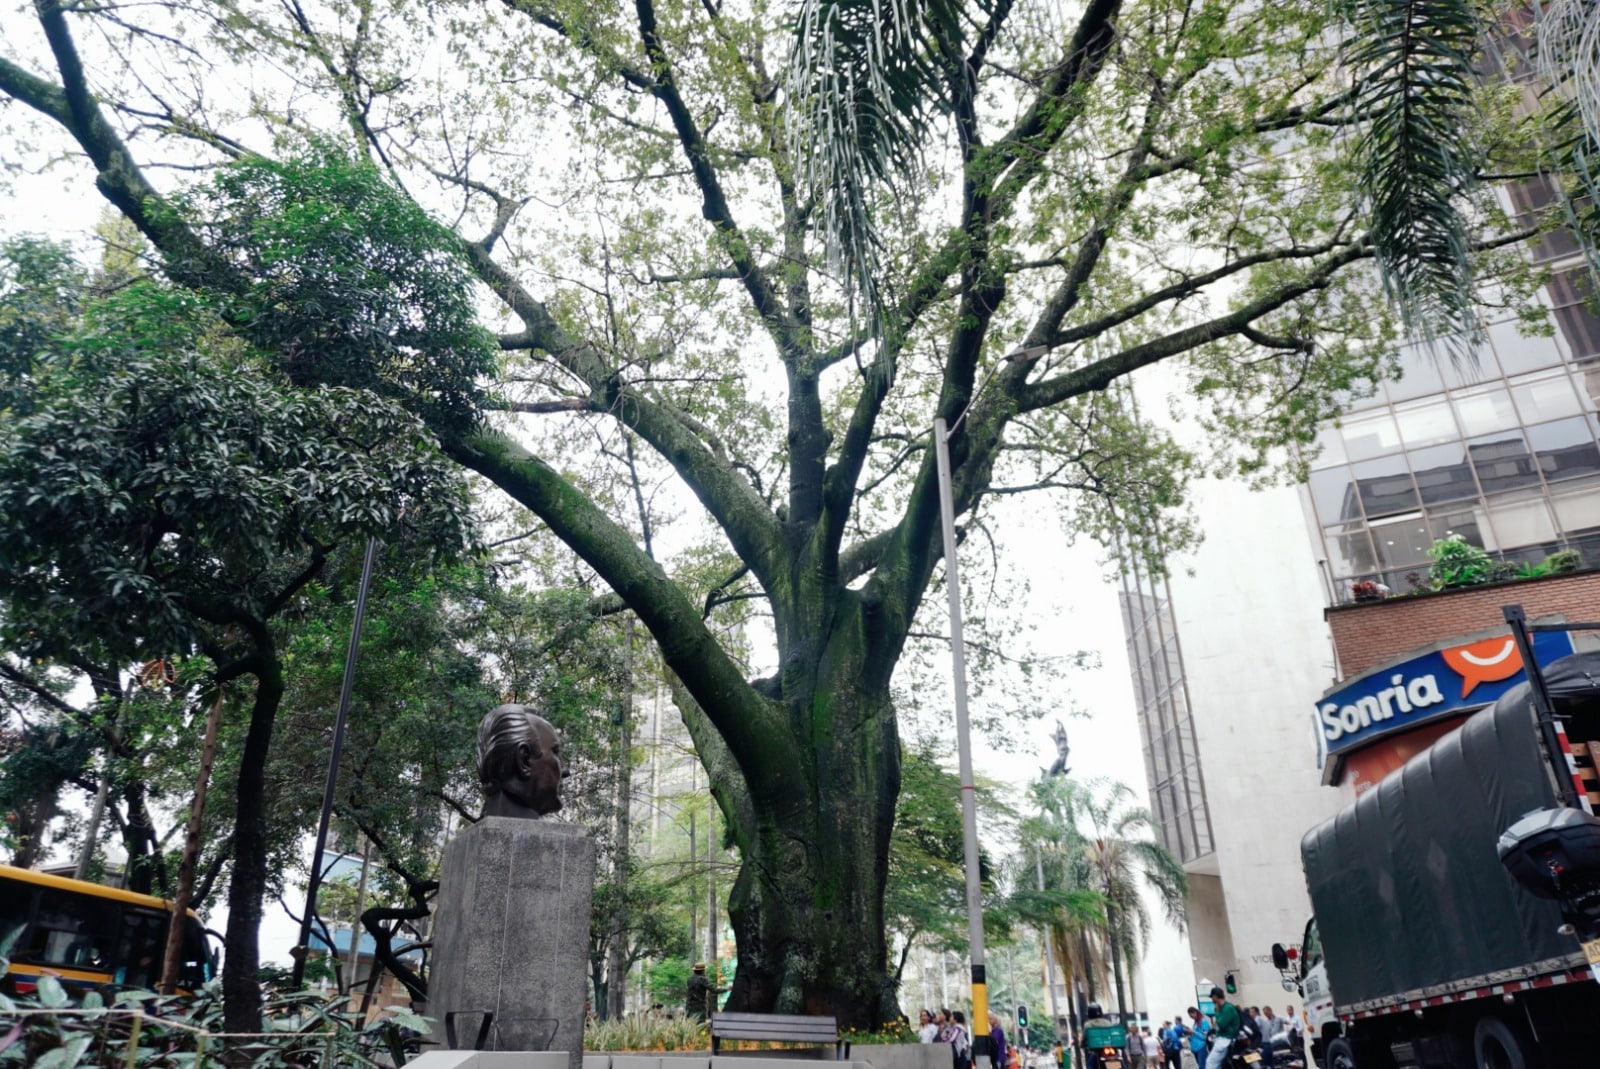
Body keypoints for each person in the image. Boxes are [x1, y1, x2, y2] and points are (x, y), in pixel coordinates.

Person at [1204, 988, 1242, 1069]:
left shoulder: (1227, 1008)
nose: (1212, 1000)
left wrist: (1217, 1011)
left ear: (1215, 996)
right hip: (1223, 1039)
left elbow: (1221, 1024)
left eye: (1212, 997)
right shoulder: (1224, 1008)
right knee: (1218, 1065)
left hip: (1225, 1039)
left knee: (1210, 1063)